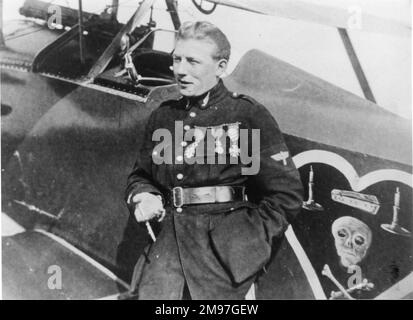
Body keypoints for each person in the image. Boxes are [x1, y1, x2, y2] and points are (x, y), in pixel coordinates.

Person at [125, 21, 303, 300]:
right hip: (167, 251)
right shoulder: (164, 117)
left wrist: (248, 243)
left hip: (222, 260)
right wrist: (144, 196)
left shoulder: (246, 116)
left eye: (193, 61)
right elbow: (141, 177)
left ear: (220, 67)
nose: (180, 70)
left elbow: (286, 194)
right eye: (176, 59)